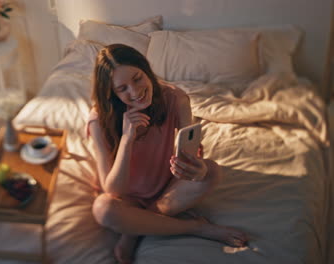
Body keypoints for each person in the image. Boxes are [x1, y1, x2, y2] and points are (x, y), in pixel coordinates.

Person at [86, 44, 248, 264]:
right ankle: (196, 228)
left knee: (212, 172)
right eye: (122, 88)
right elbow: (113, 189)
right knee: (103, 209)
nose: (135, 92)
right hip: (127, 198)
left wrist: (196, 169)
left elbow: (192, 154)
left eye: (137, 78)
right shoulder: (99, 120)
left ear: (146, 70)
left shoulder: (175, 98)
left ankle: (134, 230)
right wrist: (127, 139)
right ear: (112, 93)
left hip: (168, 189)